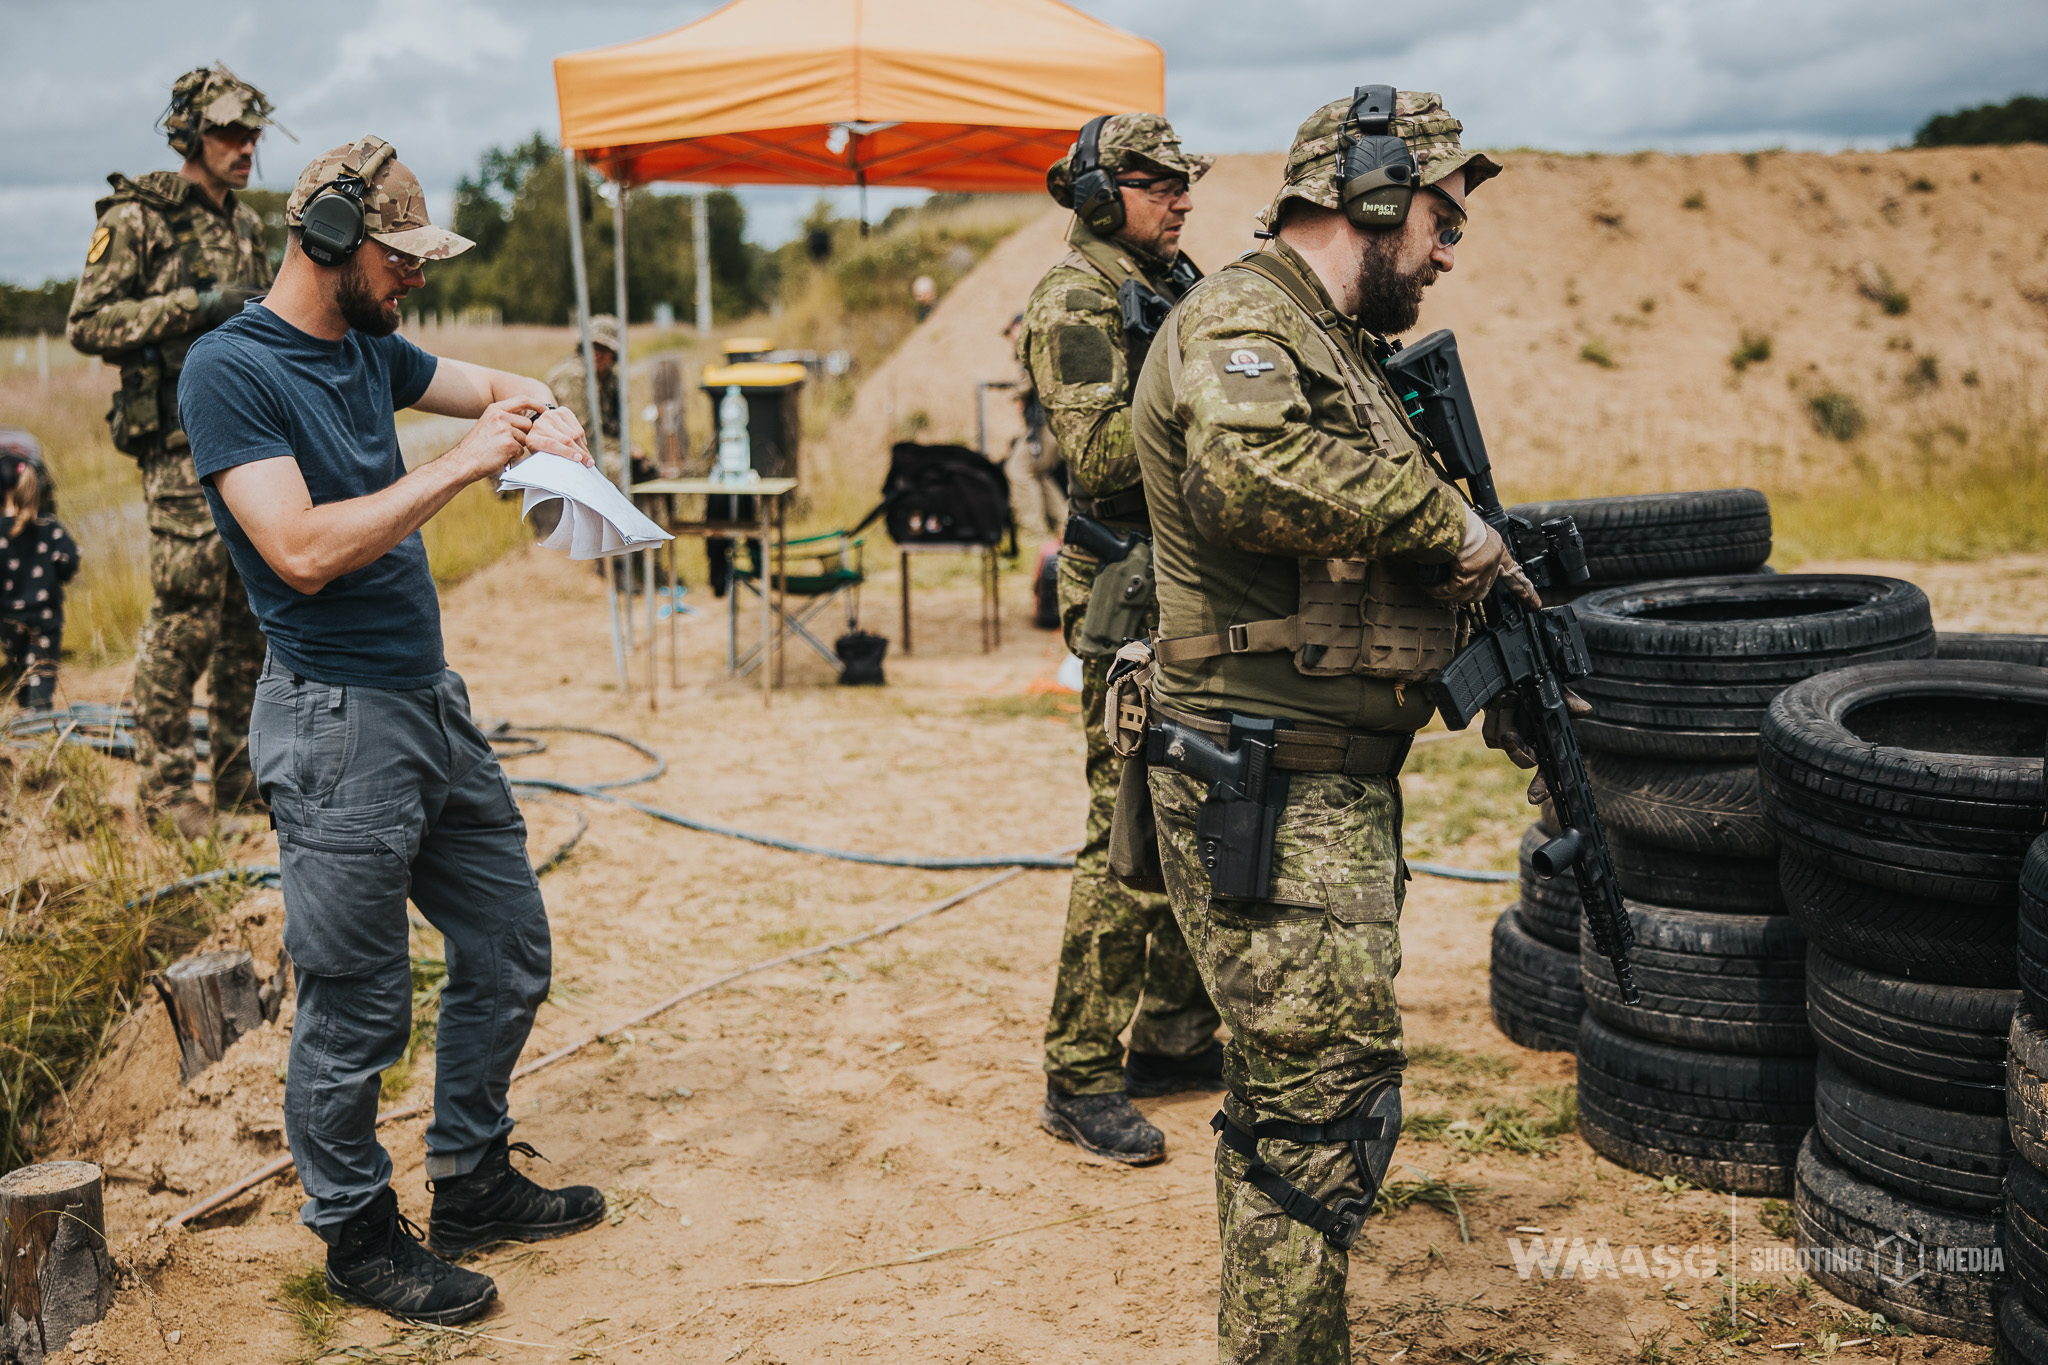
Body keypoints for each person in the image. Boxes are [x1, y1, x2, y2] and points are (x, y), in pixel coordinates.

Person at [178, 135, 606, 1326]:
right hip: (334, 721)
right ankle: (359, 1239)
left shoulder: (371, 341)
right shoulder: (232, 371)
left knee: (510, 945)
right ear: (324, 238)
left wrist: (546, 418)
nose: (414, 276)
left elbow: (499, 389)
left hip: (428, 702)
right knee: (358, 1003)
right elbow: (302, 550)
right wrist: (466, 462)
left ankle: (469, 1179)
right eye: (397, 254)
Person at [1129, 89, 1518, 1361]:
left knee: (1311, 1093)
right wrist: (1445, 529)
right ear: (1363, 193)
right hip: (1267, 784)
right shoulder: (1244, 319)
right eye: (1440, 214)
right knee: (1317, 1112)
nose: (1449, 246)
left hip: (1316, 785)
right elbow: (1246, 478)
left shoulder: (1327, 336)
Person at [1018, 113, 1224, 1165]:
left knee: (1205, 807)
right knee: (1125, 831)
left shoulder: (1182, 283)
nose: (1180, 198)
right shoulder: (1074, 301)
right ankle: (1080, 1072)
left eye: (1183, 181)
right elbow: (1100, 455)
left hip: (1194, 583)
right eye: (1156, 183)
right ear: (1100, 196)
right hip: (1128, 593)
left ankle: (1178, 1039)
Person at [66, 64, 280, 836]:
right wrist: (192, 305)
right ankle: (165, 794)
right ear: (189, 133)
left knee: (247, 615)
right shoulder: (138, 218)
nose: (245, 145)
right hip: (178, 444)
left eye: (253, 131)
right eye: (229, 130)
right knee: (187, 612)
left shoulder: (251, 227)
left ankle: (236, 780)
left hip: (248, 441)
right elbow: (88, 322)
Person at [0, 429, 79, 713]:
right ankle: (40, 720)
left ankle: (25, 719)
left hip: (8, 618)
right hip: (45, 614)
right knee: (42, 671)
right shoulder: (49, 527)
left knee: (19, 669)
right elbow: (69, 562)